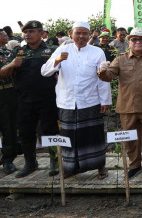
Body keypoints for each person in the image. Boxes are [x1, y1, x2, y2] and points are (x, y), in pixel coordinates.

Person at [41, 22, 111, 178]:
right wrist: (57, 60)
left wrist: (105, 100)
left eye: (85, 33)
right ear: (71, 33)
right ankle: (70, 168)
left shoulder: (97, 52)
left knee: (94, 135)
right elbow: (44, 72)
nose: (81, 36)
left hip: (90, 100)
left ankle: (100, 166)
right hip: (67, 101)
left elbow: (103, 78)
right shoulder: (62, 50)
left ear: (89, 35)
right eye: (78, 33)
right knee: (68, 136)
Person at [98, 27, 142, 179]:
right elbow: (108, 76)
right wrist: (102, 70)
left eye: (141, 39)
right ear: (129, 42)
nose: (137, 42)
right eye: (134, 39)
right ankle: (134, 165)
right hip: (127, 106)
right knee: (130, 138)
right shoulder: (120, 59)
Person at [0, 21, 59, 178]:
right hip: (24, 99)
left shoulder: (52, 50)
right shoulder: (18, 51)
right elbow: (3, 73)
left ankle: (55, 162)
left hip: (48, 98)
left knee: (50, 130)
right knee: (26, 132)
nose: (27, 34)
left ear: (41, 33)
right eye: (25, 32)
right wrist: (12, 64)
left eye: (32, 31)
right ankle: (30, 163)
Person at [0, 30, 18, 174]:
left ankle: (8, 160)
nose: (6, 36)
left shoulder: (9, 52)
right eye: (3, 34)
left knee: (9, 127)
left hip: (8, 92)